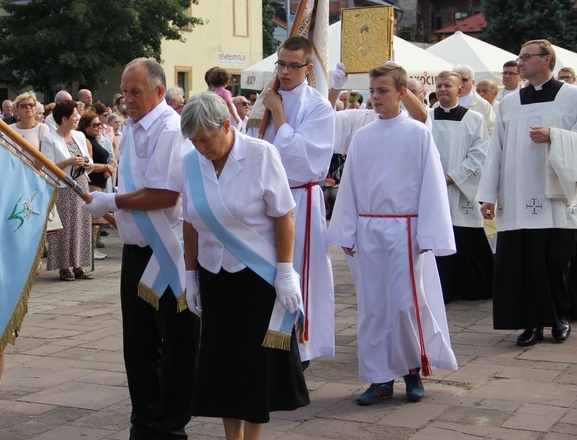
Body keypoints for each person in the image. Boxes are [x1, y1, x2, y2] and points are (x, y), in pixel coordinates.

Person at [81, 58, 198, 439]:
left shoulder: (168, 129)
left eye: (136, 92)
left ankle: (170, 424)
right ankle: (145, 420)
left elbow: (165, 194)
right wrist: (113, 213)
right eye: (124, 91)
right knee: (138, 345)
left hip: (166, 253)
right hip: (135, 251)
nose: (126, 99)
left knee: (175, 344)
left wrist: (111, 201)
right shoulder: (132, 128)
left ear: (159, 91)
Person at [327, 63, 458, 406]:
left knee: (403, 305)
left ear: (402, 94)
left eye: (382, 91)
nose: (375, 98)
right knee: (372, 307)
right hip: (369, 229)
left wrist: (427, 235)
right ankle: (379, 378)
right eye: (372, 91)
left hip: (404, 230)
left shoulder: (417, 134)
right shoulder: (363, 136)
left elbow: (431, 186)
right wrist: (347, 231)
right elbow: (350, 185)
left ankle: (412, 372)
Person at [180, 92, 309, 439]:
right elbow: (190, 223)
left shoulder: (260, 154)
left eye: (206, 139)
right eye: (194, 141)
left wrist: (284, 273)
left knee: (255, 366)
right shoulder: (191, 163)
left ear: (226, 125)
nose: (201, 148)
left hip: (257, 277)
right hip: (215, 276)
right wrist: (190, 277)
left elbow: (284, 215)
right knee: (223, 364)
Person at [478, 39, 577, 346]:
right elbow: (496, 150)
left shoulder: (571, 97)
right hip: (517, 196)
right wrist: (488, 194)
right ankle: (531, 323)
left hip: (557, 196)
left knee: (554, 261)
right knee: (522, 263)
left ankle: (559, 318)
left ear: (547, 59)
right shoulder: (509, 102)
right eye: (518, 58)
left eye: (525, 57)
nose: (519, 63)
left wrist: (555, 136)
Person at [247, 36, 335, 363]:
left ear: (308, 68)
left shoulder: (318, 107)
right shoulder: (266, 100)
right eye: (280, 63)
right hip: (263, 199)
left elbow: (304, 161)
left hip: (300, 198)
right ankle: (269, 336)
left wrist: (278, 113)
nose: (284, 71)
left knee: (298, 271)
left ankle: (302, 345)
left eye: (293, 65)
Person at [431, 71, 493, 303]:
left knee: (464, 234)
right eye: (439, 85)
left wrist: (452, 177)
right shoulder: (426, 117)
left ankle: (471, 287)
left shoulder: (474, 119)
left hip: (459, 188)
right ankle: (441, 288)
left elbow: (479, 154)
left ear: (460, 90)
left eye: (448, 85)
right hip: (431, 188)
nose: (442, 89)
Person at [41, 100, 94, 280]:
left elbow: (90, 162)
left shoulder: (79, 136)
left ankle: (79, 265)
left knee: (81, 226)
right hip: (64, 188)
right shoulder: (50, 139)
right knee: (64, 227)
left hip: (81, 184)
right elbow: (48, 167)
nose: (78, 117)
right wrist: (69, 162)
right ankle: (63, 267)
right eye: (74, 115)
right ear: (64, 119)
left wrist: (86, 163)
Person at [78, 112, 114, 260]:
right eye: (95, 125)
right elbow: (89, 164)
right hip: (92, 182)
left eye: (100, 124)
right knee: (95, 217)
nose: (99, 127)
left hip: (101, 182)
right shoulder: (87, 141)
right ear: (86, 128)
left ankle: (94, 246)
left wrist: (109, 168)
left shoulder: (99, 140)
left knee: (99, 217)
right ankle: (91, 249)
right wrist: (106, 167)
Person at [452, 64, 495, 136]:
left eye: (464, 80)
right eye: (457, 79)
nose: (460, 83)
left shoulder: (484, 105)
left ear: (472, 82)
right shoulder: (440, 104)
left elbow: (491, 130)